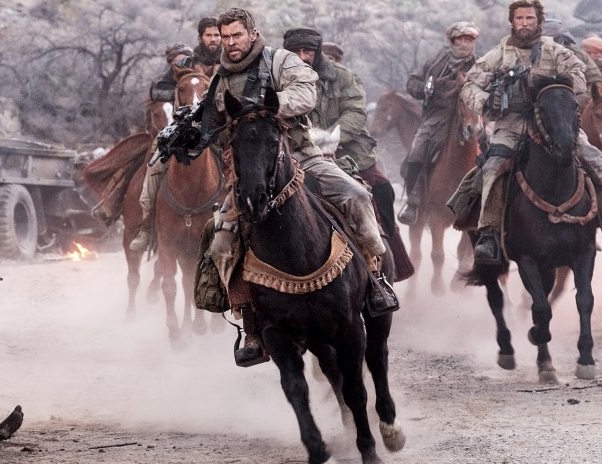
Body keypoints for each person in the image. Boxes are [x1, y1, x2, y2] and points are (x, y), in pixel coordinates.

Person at [200, 8, 392, 366]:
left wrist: (266, 106)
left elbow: (306, 93)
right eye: (225, 37)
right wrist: (192, 128)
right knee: (222, 240)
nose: (230, 43)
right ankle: (250, 324)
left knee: (357, 195)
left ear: (251, 33)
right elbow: (212, 119)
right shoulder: (220, 76)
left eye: (236, 35)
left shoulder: (281, 61)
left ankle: (376, 278)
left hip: (302, 155)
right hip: (253, 168)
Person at [460, 0, 602, 264]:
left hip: (557, 123)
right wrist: (488, 101)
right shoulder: (498, 55)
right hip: (512, 123)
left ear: (538, 22)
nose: (524, 23)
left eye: (530, 18)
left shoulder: (557, 52)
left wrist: (561, 97)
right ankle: (489, 234)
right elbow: (469, 87)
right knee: (493, 167)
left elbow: (581, 78)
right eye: (519, 18)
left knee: (599, 163)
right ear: (512, 22)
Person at [282, 27, 412, 282]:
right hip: (297, 151)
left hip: (349, 150)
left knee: (382, 190)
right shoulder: (279, 77)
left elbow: (356, 113)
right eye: (296, 51)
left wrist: (331, 136)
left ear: (317, 51)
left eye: (307, 50)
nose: (302, 56)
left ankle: (386, 263)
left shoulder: (343, 77)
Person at [131, 18, 222, 251]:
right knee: (155, 163)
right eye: (209, 35)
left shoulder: (229, 62)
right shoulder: (185, 63)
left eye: (217, 35)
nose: (214, 39)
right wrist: (183, 90)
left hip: (220, 127)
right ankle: (146, 225)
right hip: (183, 128)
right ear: (201, 37)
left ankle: (240, 228)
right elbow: (158, 90)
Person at [398, 21, 480, 225]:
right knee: (416, 152)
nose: (465, 43)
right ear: (453, 40)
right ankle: (413, 201)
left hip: (472, 115)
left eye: (469, 39)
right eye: (461, 39)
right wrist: (428, 88)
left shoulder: (481, 65)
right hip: (437, 116)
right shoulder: (437, 61)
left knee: (495, 153)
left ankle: (488, 208)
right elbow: (413, 82)